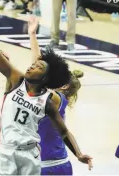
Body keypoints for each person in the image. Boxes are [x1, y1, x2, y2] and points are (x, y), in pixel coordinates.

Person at [0, 9, 92, 175]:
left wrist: (78, 154)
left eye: (38, 67)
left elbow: (63, 131)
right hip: (6, 152)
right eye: (34, 64)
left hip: (30, 154)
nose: (32, 65)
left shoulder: (48, 101)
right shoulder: (16, 80)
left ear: (45, 79)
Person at [27, 15, 85, 175]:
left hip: (52, 165)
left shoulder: (56, 98)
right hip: (52, 163)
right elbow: (38, 65)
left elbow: (38, 67)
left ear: (64, 85)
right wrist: (32, 35)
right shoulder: (52, 97)